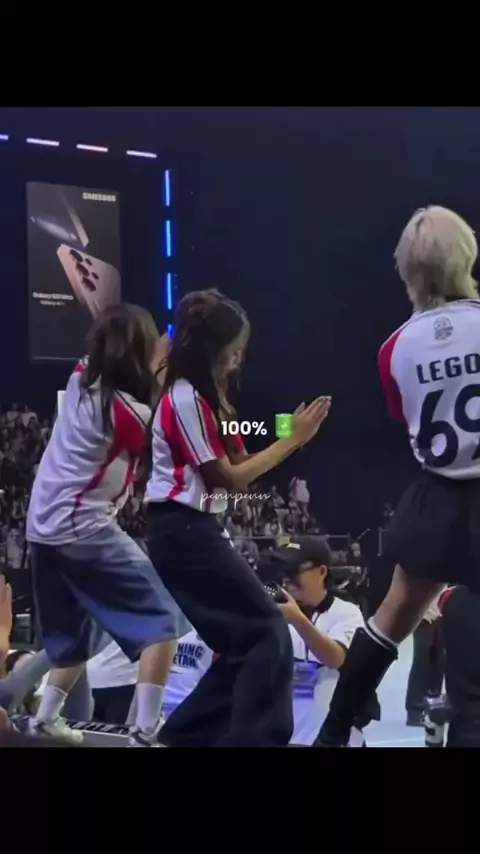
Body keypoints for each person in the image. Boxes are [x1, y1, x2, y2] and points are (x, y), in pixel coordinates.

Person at [315, 205, 480, 746]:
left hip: (437, 496)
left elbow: (403, 416)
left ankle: (335, 728)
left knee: (391, 616)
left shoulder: (394, 348)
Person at [145, 288, 331, 747]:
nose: (237, 360)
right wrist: (291, 440)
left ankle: (181, 738)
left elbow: (242, 461)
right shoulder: (184, 399)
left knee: (244, 646)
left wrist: (292, 436)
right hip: (183, 530)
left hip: (195, 529)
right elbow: (227, 478)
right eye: (233, 350)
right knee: (267, 634)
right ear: (212, 350)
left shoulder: (211, 401)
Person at [27, 304, 188, 747]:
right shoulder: (130, 415)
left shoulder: (80, 377)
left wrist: (150, 359)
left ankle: (44, 718)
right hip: (83, 529)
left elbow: (114, 355)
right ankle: (146, 730)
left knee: (76, 632)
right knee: (163, 620)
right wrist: (165, 368)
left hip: (41, 530)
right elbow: (163, 429)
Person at [272, 536, 366, 746]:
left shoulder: (347, 612)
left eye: (294, 570)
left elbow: (335, 658)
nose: (286, 578)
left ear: (322, 571)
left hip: (334, 737)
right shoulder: (275, 613)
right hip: (286, 736)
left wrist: (298, 620)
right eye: (283, 570)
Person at [405, 596, 445, 726]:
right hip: (423, 616)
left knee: (439, 661)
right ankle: (415, 710)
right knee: (422, 661)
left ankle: (434, 706)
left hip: (442, 615)